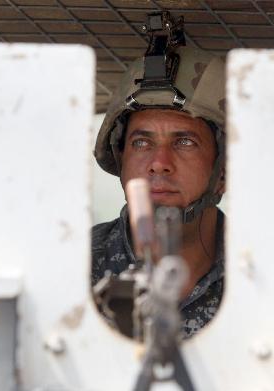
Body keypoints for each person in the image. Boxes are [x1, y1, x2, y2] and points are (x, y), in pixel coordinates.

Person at [91, 44, 226, 339]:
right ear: (121, 159)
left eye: (185, 142)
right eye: (141, 143)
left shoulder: (261, 272)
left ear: (224, 170)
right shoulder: (73, 268)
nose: (159, 164)